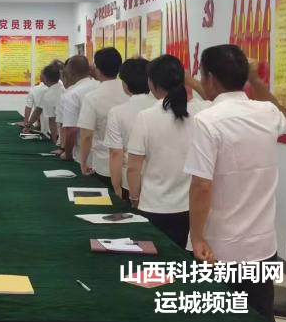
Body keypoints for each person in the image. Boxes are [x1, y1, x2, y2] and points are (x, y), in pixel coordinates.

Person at [185, 45, 286, 322]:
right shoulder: (266, 113)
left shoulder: (207, 120)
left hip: (219, 247)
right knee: (260, 313)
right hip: (263, 246)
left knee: (218, 314)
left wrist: (197, 237)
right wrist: (256, 81)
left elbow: (202, 185)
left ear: (210, 78)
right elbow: (278, 112)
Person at [126, 55, 209, 249]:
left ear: (151, 83)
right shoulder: (201, 111)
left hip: (154, 205)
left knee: (155, 263)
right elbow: (213, 99)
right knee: (184, 262)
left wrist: (134, 198)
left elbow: (133, 168)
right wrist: (192, 82)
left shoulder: (146, 117)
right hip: (191, 207)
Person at [104, 58, 154, 201]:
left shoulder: (117, 112)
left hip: (130, 182)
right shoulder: (161, 107)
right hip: (161, 180)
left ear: (125, 84)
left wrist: (117, 186)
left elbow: (116, 153)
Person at [77, 48, 128, 181]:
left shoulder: (92, 97)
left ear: (97, 69)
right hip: (131, 163)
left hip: (104, 164)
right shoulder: (129, 91)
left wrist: (83, 162)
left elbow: (86, 135)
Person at [58, 56, 99, 161]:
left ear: (70, 74)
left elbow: (71, 130)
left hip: (84, 154)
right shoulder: (100, 86)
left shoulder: (72, 94)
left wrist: (67, 154)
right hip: (105, 151)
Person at [23, 64, 63, 143]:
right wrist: (29, 125)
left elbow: (52, 120)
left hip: (60, 135)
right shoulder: (62, 86)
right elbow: (38, 109)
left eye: (41, 74)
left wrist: (54, 141)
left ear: (45, 77)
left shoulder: (48, 94)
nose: (40, 76)